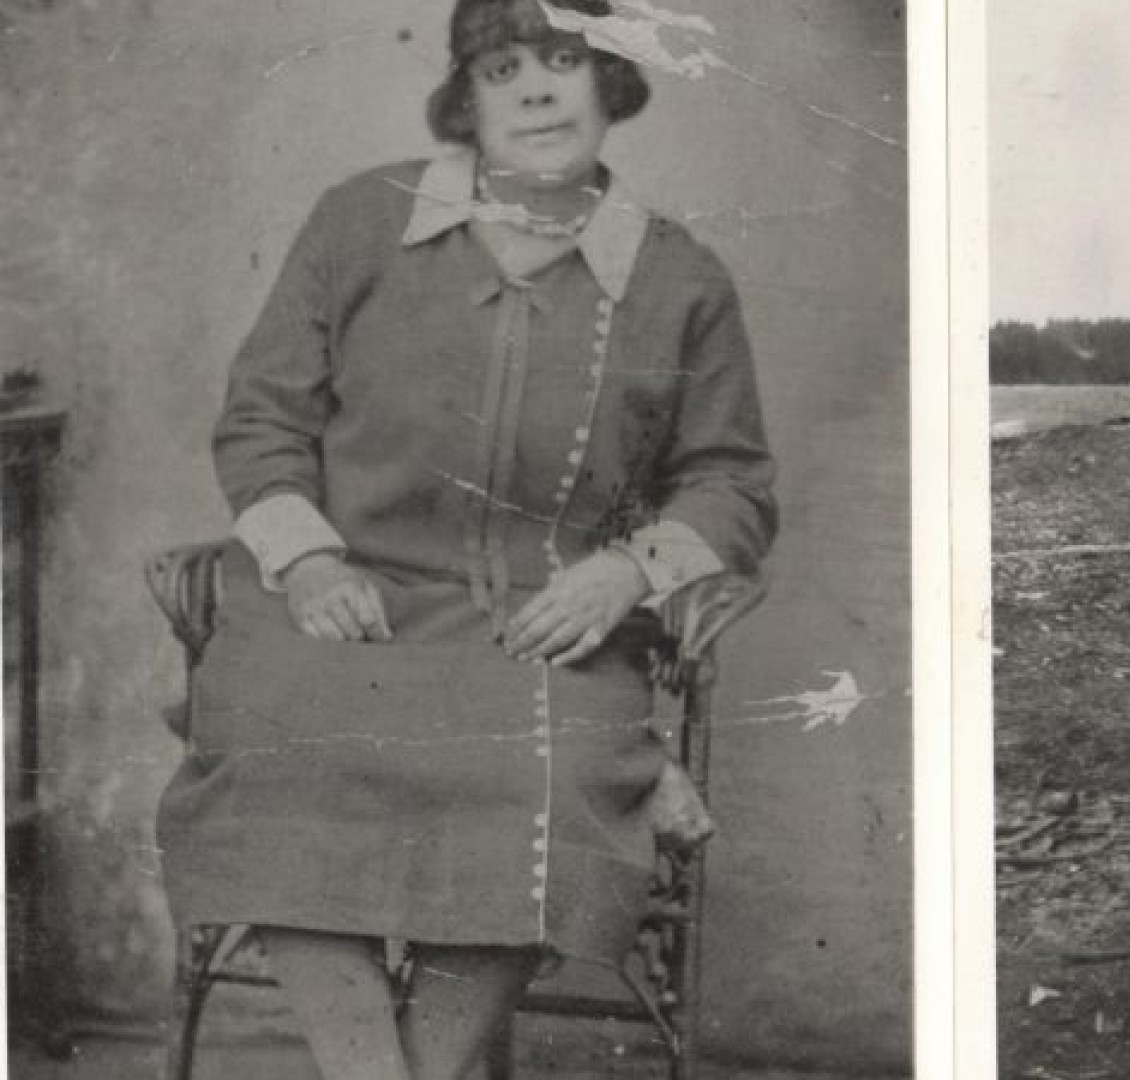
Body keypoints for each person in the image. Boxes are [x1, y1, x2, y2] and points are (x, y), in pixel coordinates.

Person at [154, 2, 777, 1077]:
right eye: (503, 69)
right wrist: (306, 560)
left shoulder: (682, 280)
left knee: (549, 774)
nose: (537, 90)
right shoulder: (360, 221)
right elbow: (263, 419)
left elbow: (731, 481)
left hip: (546, 623)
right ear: (467, 100)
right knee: (274, 757)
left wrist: (627, 571)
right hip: (350, 609)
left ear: (609, 83)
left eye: (564, 61)